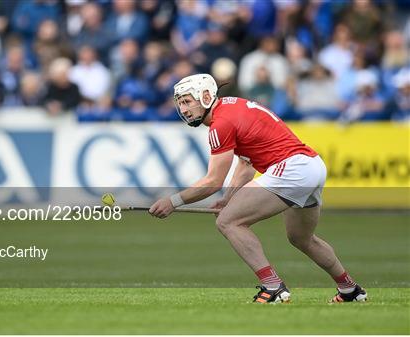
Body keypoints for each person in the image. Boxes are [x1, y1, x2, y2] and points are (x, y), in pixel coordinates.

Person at [149, 73, 368, 304]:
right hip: (312, 166)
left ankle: (273, 287)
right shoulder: (232, 106)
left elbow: (212, 181)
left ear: (205, 97)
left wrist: (172, 201)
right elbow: (245, 163)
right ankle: (350, 290)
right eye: (180, 103)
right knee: (302, 238)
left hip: (292, 169)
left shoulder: (219, 124)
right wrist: (228, 199)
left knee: (228, 222)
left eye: (187, 101)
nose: (183, 109)